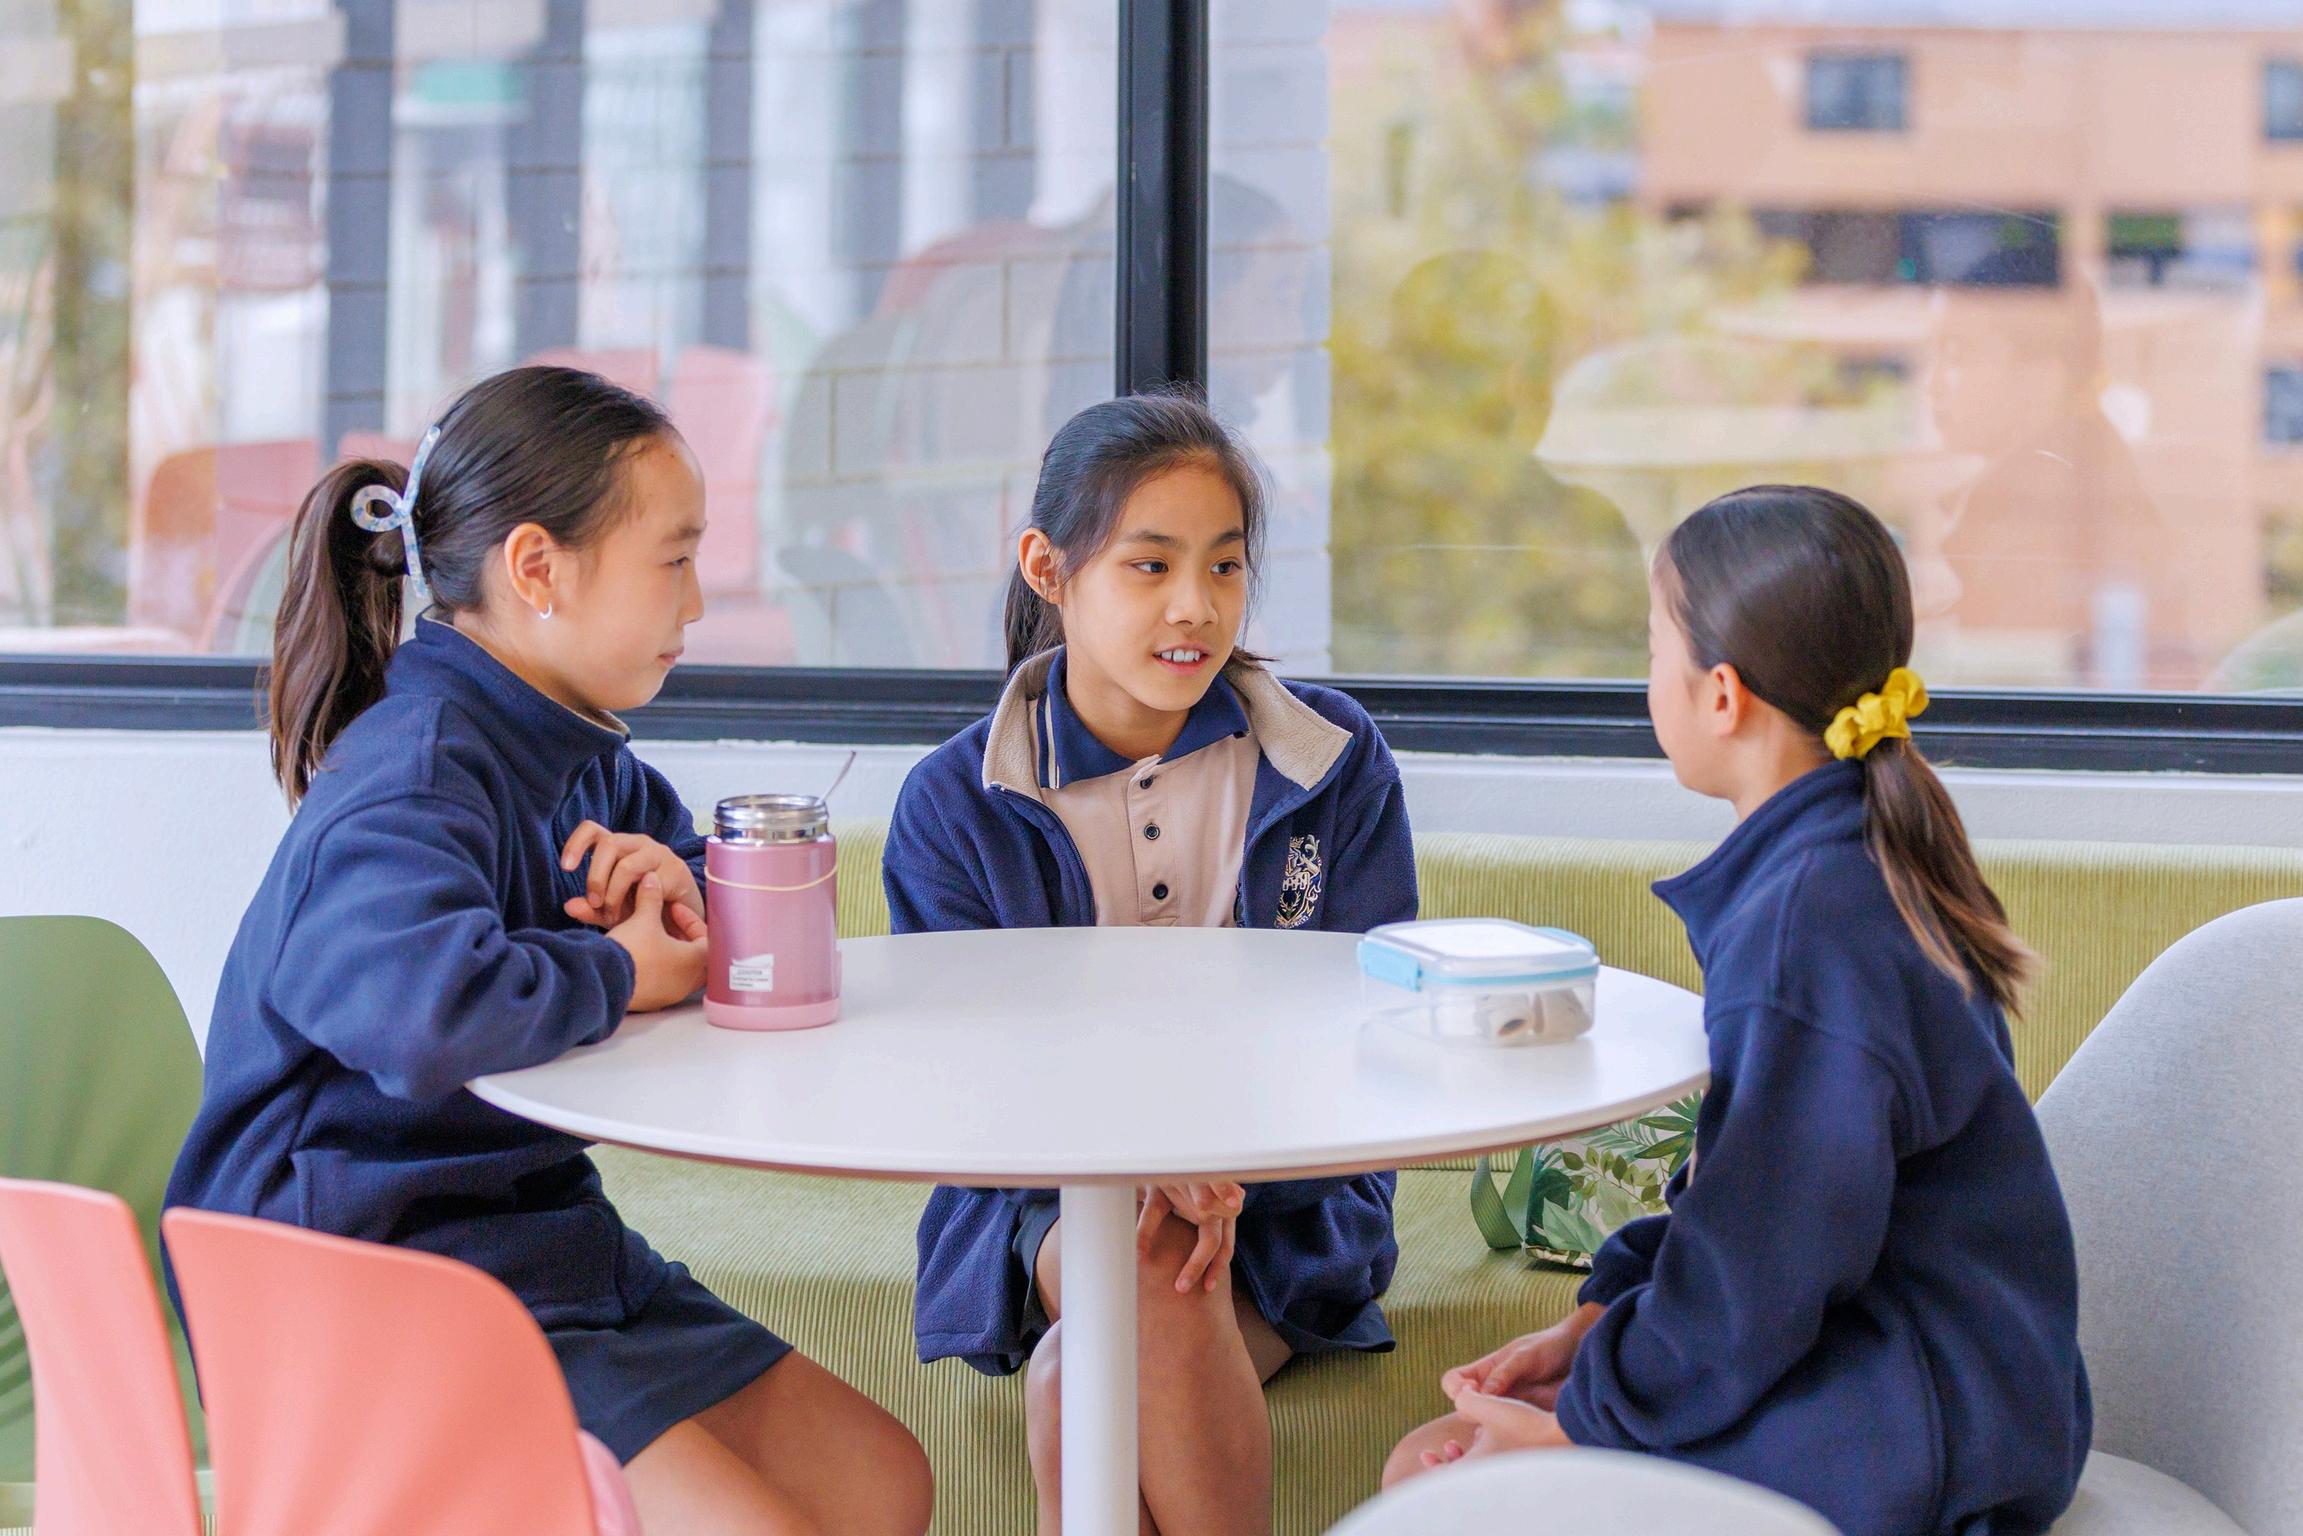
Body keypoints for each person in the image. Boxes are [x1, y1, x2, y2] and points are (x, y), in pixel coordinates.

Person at [167, 365, 933, 1536]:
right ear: (538, 569)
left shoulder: (577, 751)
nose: (696, 602)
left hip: (535, 1241)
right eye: (674, 561)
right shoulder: (415, 770)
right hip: (363, 1277)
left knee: (879, 1480)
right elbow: (421, 1012)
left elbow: (696, 886)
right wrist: (621, 973)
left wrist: (685, 893)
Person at [1385, 485, 2090, 1536]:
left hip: (1924, 1422)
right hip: (1924, 1379)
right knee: (1437, 1463)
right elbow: (1746, 1204)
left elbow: (1759, 1269)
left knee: (1432, 1480)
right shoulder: (1844, 864)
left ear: (1720, 695)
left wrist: (1591, 1420)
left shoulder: (1808, 928)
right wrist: (1599, 1326)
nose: (1646, 678)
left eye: (1651, 648)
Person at [883, 390, 1416, 1535]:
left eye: (1223, 566)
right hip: (1043, 1207)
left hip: (1290, 1203)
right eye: (1149, 565)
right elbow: (963, 1084)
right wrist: (1143, 1163)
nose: (1195, 607)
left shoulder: (1329, 762)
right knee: (1139, 1252)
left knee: (1077, 1379)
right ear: (1047, 568)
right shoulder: (953, 804)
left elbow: (1369, 1036)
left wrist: (1216, 1162)